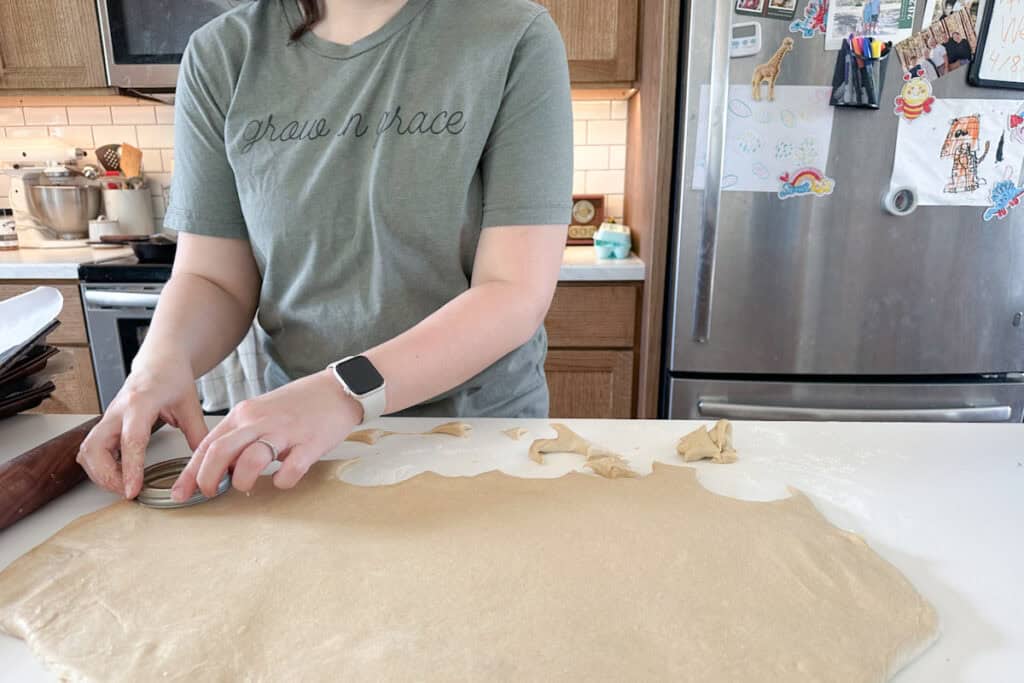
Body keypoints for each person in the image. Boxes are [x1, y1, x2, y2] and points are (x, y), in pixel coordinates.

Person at [76, 0, 573, 501]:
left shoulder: (512, 34)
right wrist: (161, 363)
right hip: (295, 444)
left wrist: (344, 391)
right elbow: (214, 279)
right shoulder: (222, 53)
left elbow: (512, 291)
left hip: (476, 436)